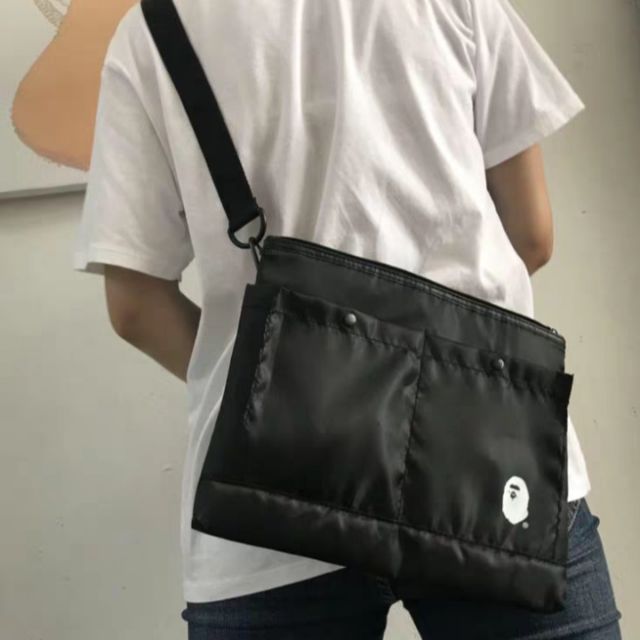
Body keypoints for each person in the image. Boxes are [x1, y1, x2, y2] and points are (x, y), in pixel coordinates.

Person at [73, 0, 622, 637]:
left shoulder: (153, 31)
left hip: (270, 500)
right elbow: (531, 235)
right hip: (494, 472)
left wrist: (279, 386)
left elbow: (135, 307)